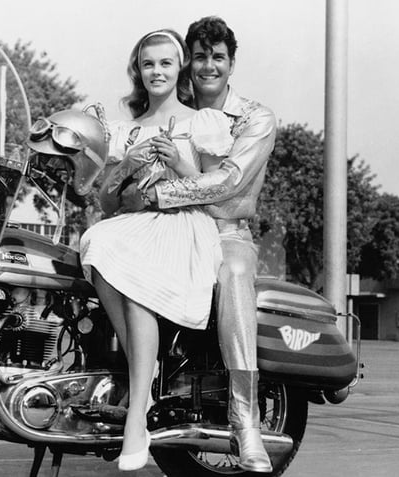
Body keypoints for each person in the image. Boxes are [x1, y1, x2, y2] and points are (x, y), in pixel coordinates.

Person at [119, 16, 277, 473]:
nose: (209, 66)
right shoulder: (173, 109)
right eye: (201, 56)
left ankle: (246, 423)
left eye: (218, 57)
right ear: (190, 62)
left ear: (232, 63)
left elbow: (229, 182)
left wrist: (160, 194)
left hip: (226, 232)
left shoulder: (255, 117)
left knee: (234, 274)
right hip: (170, 226)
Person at [79, 28, 235, 471]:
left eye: (166, 63)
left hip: (183, 226)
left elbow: (216, 193)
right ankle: (142, 388)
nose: (157, 71)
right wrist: (126, 166)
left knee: (130, 263)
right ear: (138, 71)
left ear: (179, 67)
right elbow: (107, 203)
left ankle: (136, 414)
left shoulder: (203, 122)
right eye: (148, 64)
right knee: (97, 242)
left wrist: (178, 163)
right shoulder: (126, 129)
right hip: (132, 224)